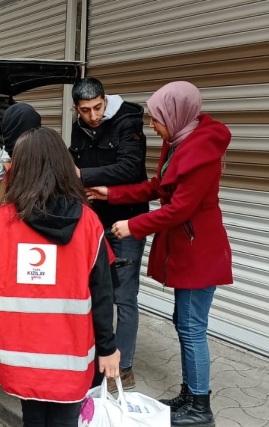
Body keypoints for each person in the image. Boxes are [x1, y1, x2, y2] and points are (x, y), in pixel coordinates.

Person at [88, 81, 232, 427]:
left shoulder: (201, 151)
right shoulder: (179, 141)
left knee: (192, 328)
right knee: (184, 323)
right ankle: (190, 394)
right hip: (186, 248)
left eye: (157, 119)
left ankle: (200, 408)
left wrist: (133, 226)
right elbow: (157, 187)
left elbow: (180, 209)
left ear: (176, 115)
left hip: (199, 252)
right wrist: (112, 194)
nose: (152, 126)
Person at [0, 127, 120, 427]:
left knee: (32, 417)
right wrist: (108, 348)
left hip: (17, 351)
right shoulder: (88, 222)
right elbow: (103, 292)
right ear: (63, 166)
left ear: (18, 168)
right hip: (70, 354)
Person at [69, 77, 148, 391]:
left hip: (126, 224)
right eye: (85, 110)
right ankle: (98, 359)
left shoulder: (128, 121)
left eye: (98, 107)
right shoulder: (79, 127)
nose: (93, 115)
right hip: (93, 224)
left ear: (105, 100)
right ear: (76, 108)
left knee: (124, 297)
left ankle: (123, 370)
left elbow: (131, 168)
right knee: (93, 293)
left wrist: (82, 175)